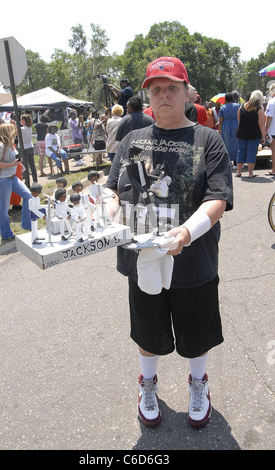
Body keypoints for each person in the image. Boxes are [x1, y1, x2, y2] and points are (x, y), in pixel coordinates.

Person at [105, 56, 233, 428]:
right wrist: (106, 212)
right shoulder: (132, 139)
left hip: (194, 262)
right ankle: (147, 382)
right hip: (141, 258)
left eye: (171, 88)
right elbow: (114, 189)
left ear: (186, 93)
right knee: (147, 329)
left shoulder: (208, 139)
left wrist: (186, 232)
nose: (163, 95)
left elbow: (217, 198)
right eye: (156, 88)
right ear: (148, 95)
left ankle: (198, 383)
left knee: (196, 333)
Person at [0, 124, 32, 241]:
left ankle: (26, 224)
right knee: (4, 208)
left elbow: (14, 159)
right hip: (3, 179)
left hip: (12, 178)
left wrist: (18, 162)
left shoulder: (11, 145)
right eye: (14, 131)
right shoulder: (0, 146)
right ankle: (6, 234)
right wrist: (12, 164)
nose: (16, 133)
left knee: (28, 196)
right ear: (8, 132)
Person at [235, 90, 266, 178]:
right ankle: (250, 172)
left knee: (241, 152)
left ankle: (238, 171)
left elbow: (239, 120)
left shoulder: (242, 107)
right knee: (251, 152)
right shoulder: (259, 109)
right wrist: (263, 136)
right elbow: (261, 125)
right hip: (254, 134)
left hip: (241, 132)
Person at [219, 93, 239, 167]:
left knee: (227, 143)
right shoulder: (237, 106)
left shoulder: (223, 108)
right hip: (236, 125)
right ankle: (236, 162)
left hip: (226, 126)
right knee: (236, 143)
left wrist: (219, 130)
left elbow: (220, 121)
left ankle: (229, 161)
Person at [19, 114, 37, 185]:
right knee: (32, 165)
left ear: (23, 121)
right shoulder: (29, 128)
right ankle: (35, 180)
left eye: (20, 120)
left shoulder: (22, 129)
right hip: (30, 146)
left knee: (25, 166)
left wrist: (13, 124)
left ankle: (27, 182)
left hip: (23, 148)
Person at [265, 83, 275, 176]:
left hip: (273, 130)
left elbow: (269, 117)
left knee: (274, 150)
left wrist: (265, 130)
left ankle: (274, 169)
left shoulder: (272, 102)